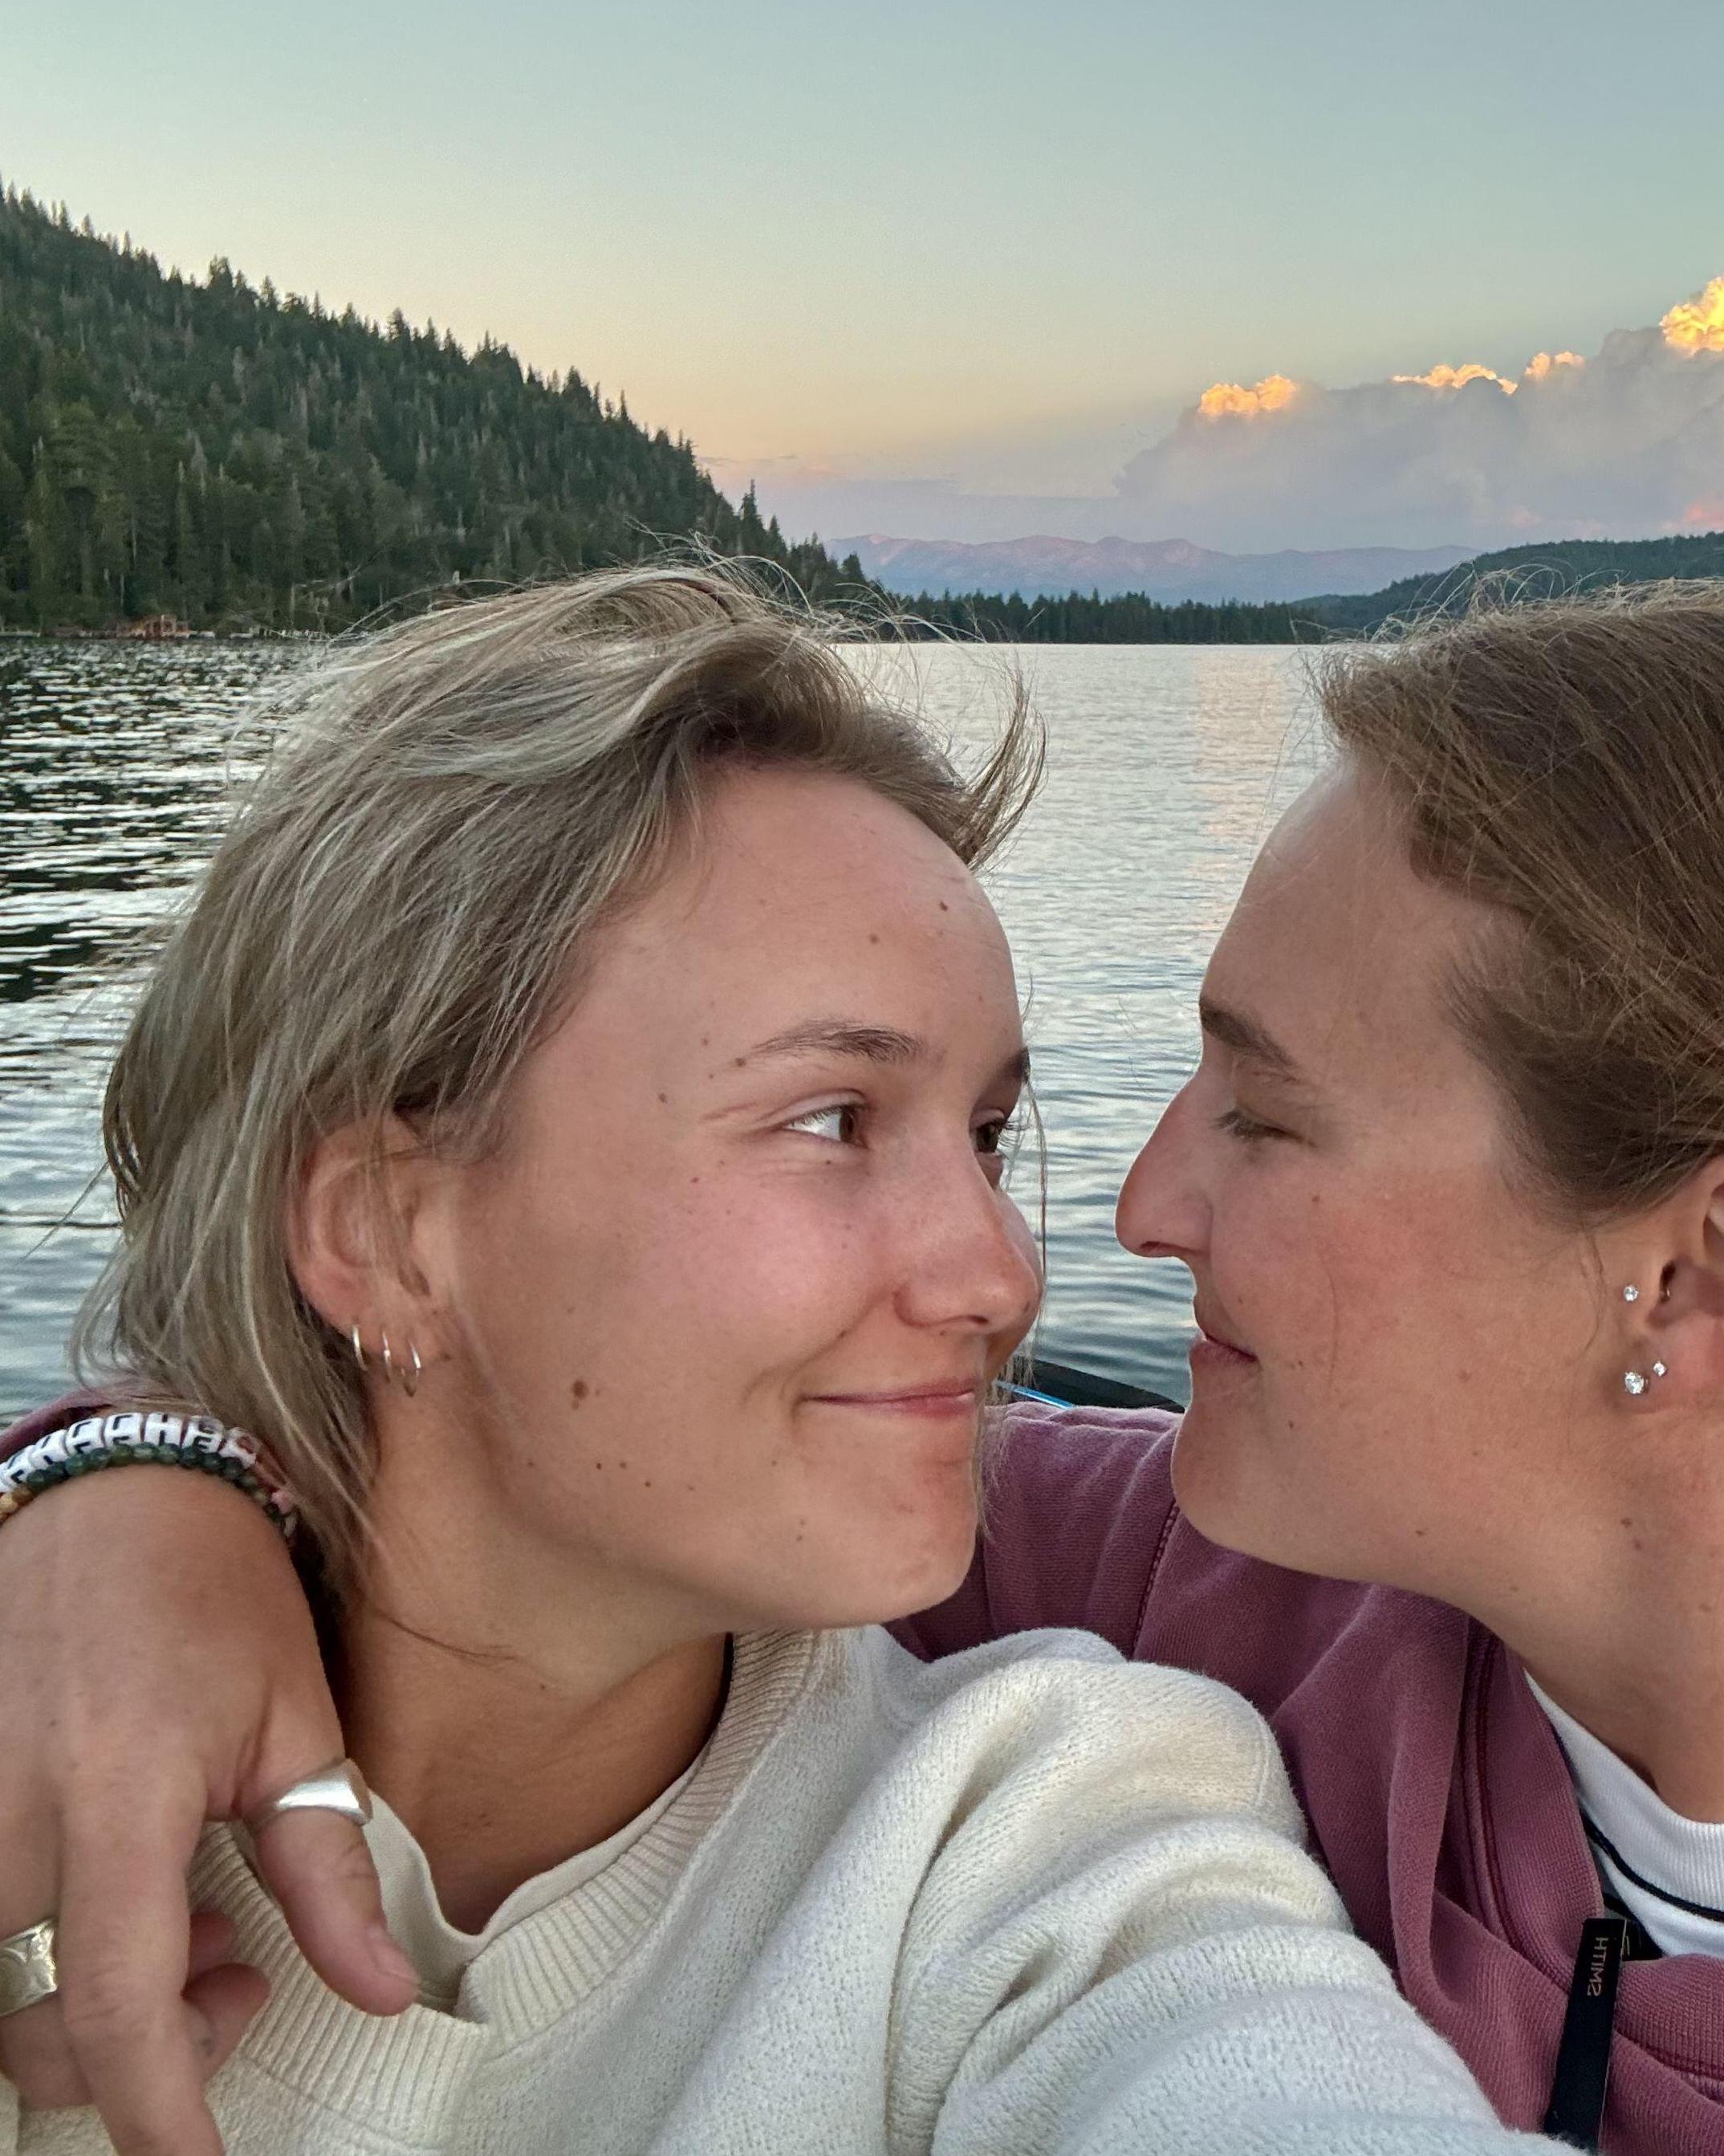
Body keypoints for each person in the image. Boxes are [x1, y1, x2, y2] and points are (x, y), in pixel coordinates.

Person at [6, 583, 1724, 2151]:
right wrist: (124, 1481)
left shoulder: (1084, 1793)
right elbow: (396, 1395)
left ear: (1691, 1277)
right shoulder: (1190, 1554)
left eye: (1263, 1111)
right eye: (843, 1118)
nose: (1067, 1241)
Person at [0, 568, 1545, 2156]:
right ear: (394, 1230)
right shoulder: (47, 1767)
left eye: (991, 1135)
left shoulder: (1039, 1847)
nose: (1003, 1271)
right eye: (832, 1122)